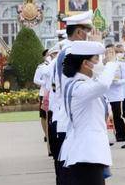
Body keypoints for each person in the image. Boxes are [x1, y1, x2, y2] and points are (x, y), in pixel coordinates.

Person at [58, 40, 117, 185]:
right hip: (85, 155)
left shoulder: (87, 83)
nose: (100, 62)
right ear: (85, 63)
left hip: (91, 154)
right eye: (96, 59)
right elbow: (103, 85)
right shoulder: (78, 87)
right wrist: (111, 63)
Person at [48, 11, 93, 185]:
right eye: (87, 31)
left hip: (64, 121)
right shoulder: (72, 53)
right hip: (70, 123)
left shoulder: (64, 52)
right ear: (79, 32)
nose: (88, 35)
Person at [104, 44, 125, 148]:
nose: (109, 54)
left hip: (117, 93)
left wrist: (116, 82)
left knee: (120, 117)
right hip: (106, 94)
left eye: (111, 52)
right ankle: (111, 138)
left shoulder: (121, 63)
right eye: (107, 52)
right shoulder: (103, 63)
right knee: (106, 118)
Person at [34, 49, 51, 146]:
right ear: (44, 56)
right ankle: (46, 134)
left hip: (53, 94)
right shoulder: (41, 67)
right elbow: (35, 79)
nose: (49, 56)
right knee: (44, 116)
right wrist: (45, 83)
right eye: (48, 55)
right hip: (44, 93)